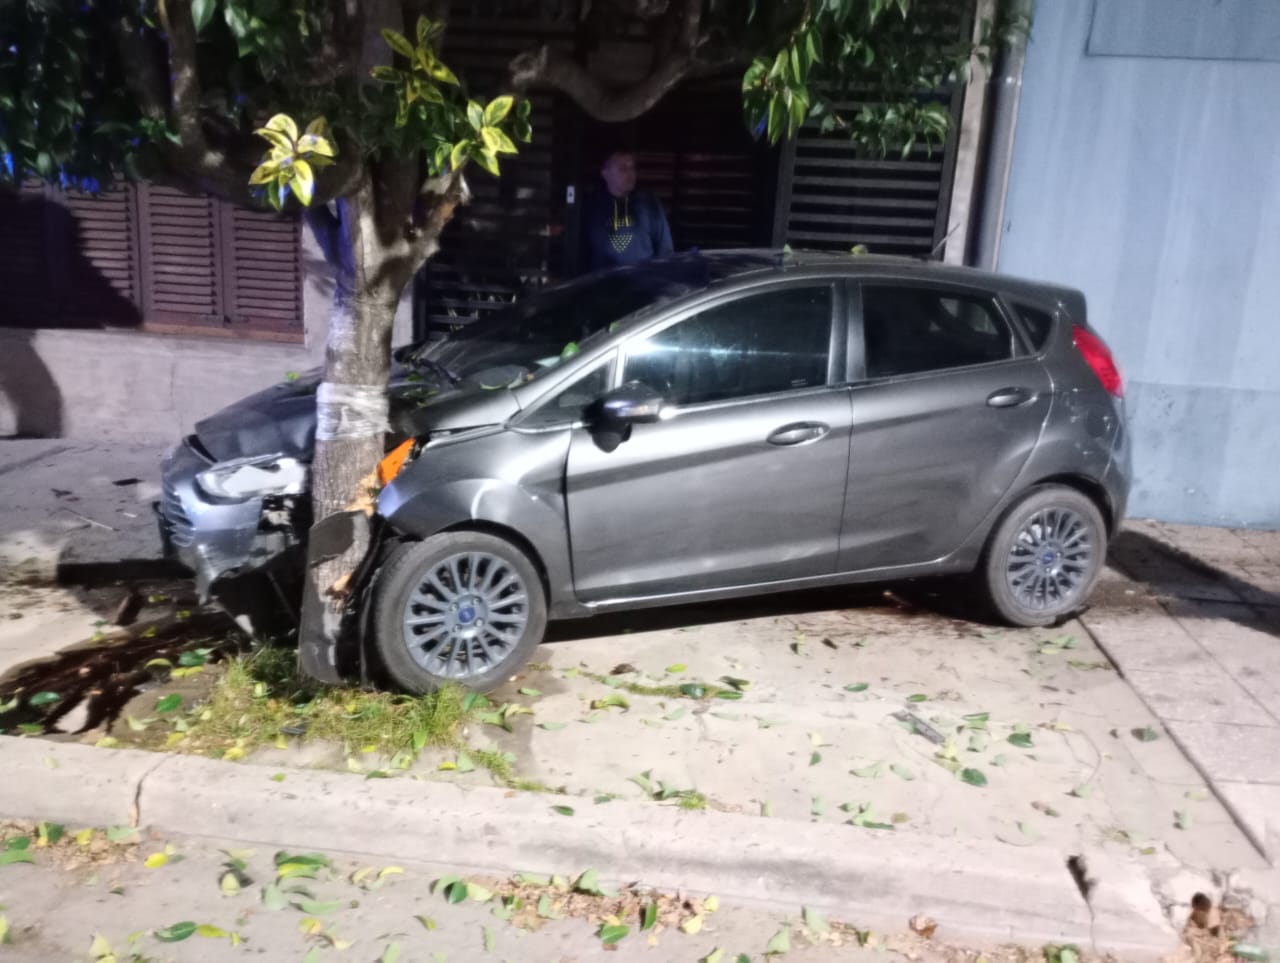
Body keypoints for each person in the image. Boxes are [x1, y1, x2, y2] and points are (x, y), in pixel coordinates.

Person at [582, 148, 674, 272]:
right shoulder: (592, 206)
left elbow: (665, 249)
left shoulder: (648, 204)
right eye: (623, 169)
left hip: (642, 281)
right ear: (605, 173)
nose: (630, 174)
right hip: (604, 282)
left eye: (632, 168)